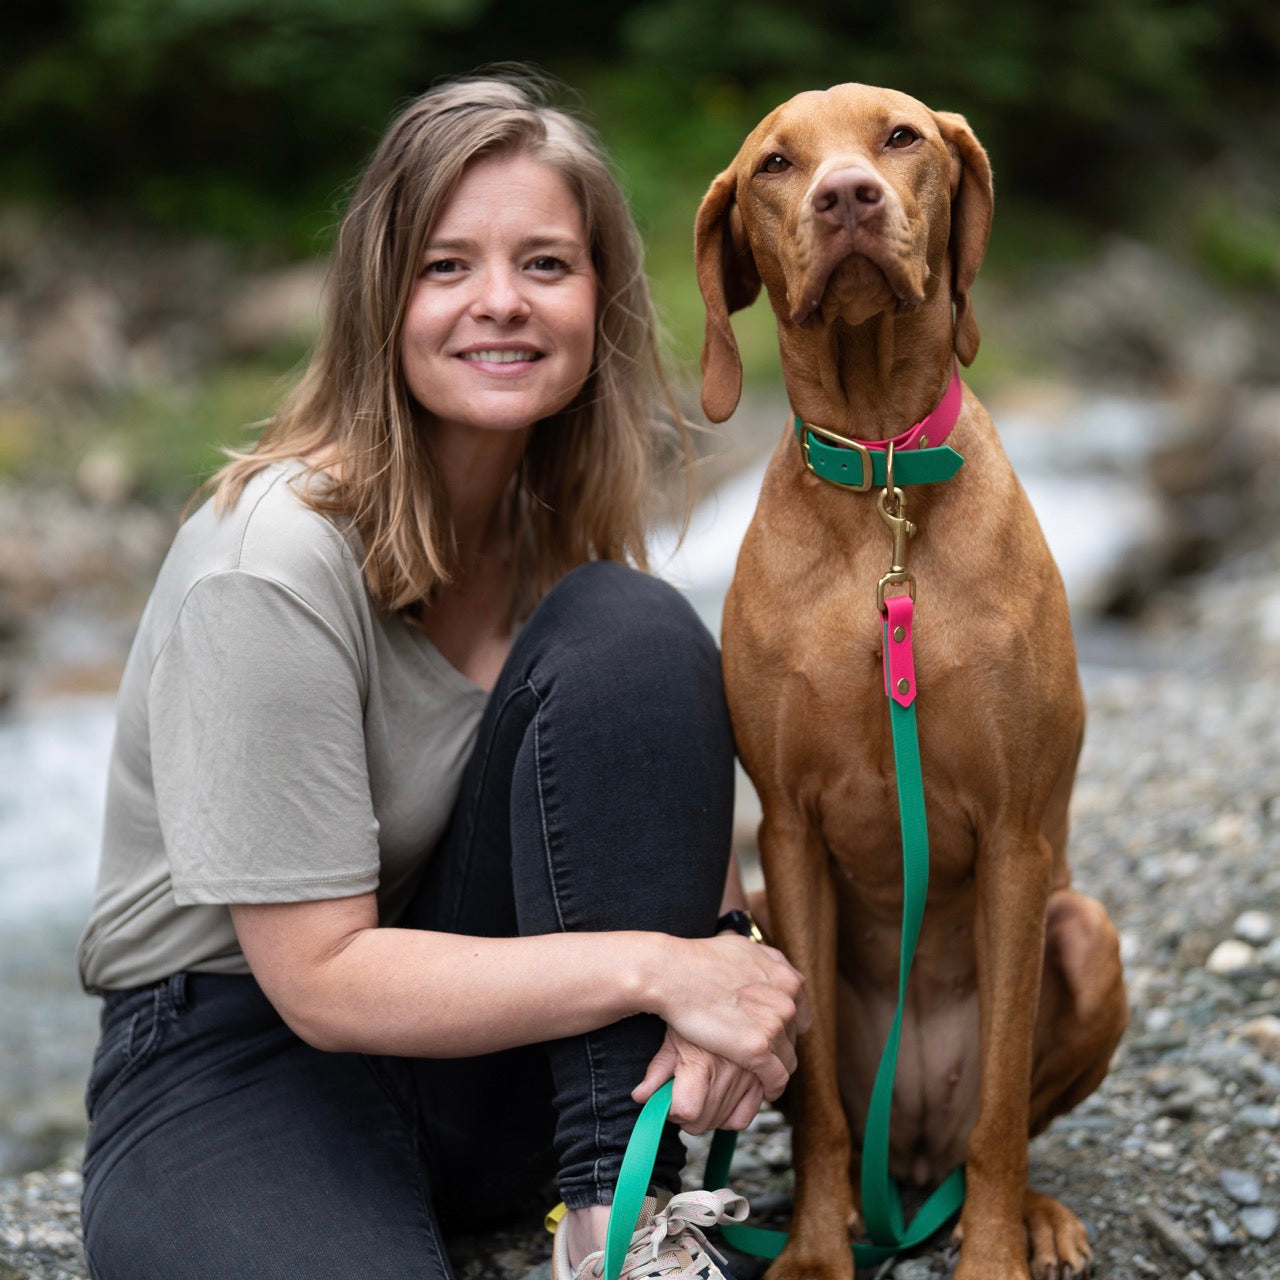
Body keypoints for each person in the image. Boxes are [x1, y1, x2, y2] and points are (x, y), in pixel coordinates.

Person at [75, 72, 807, 1280]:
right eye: (445, 265)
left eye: (545, 264)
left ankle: (616, 1222)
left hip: (477, 1042)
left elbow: (649, 821)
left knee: (634, 622)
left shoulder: (554, 540)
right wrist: (667, 970)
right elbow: (316, 980)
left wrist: (726, 949)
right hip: (230, 1048)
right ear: (380, 298)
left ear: (599, 298)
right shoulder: (267, 561)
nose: (500, 304)